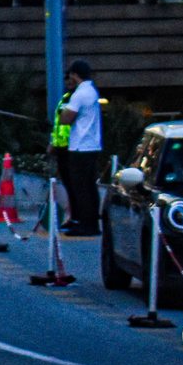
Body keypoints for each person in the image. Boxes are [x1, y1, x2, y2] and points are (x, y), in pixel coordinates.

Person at [59, 59, 105, 236]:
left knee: (80, 188)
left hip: (80, 147)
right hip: (92, 145)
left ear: (75, 74)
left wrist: (64, 110)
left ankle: (85, 224)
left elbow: (66, 118)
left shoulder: (80, 94)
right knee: (90, 186)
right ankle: (92, 222)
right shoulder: (92, 91)